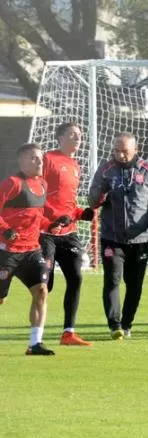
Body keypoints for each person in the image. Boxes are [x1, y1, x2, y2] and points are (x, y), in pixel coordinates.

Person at [87, 132, 148, 339]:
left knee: (135, 284)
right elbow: (93, 202)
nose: (120, 155)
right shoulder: (105, 170)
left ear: (136, 150)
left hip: (140, 240)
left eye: (125, 151)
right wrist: (102, 190)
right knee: (112, 280)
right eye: (117, 151)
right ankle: (115, 325)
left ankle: (127, 323)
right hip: (112, 238)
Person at [1, 143, 66, 355]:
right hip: (7, 251)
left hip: (31, 250)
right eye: (33, 158)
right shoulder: (12, 183)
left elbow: (38, 218)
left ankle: (35, 343)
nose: (39, 162)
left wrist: (51, 224)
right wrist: (5, 230)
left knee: (41, 291)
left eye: (40, 158)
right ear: (21, 162)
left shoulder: (42, 185)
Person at [40, 122, 96, 345]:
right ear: (60, 137)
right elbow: (36, 194)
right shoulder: (47, 160)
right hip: (46, 231)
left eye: (79, 135)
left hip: (69, 232)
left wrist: (82, 213)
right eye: (72, 134)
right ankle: (36, 337)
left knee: (76, 278)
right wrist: (53, 217)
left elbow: (69, 203)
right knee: (45, 285)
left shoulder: (74, 164)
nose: (77, 138)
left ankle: (68, 333)